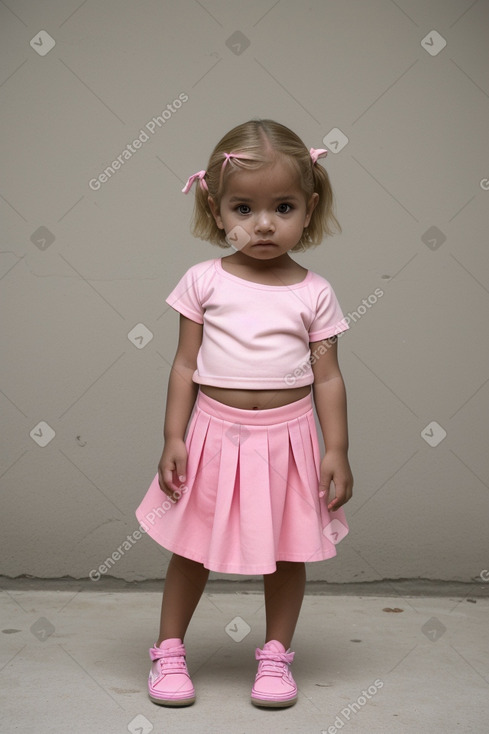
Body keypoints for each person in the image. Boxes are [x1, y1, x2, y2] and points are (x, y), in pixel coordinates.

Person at [135, 119, 354, 709]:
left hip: (288, 440)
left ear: (309, 208)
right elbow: (184, 366)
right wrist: (172, 436)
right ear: (216, 208)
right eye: (244, 208)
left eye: (282, 207)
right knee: (191, 548)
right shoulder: (202, 282)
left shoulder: (315, 293)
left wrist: (337, 449)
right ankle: (170, 651)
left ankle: (276, 657)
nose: (262, 224)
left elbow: (328, 375)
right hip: (212, 435)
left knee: (286, 553)